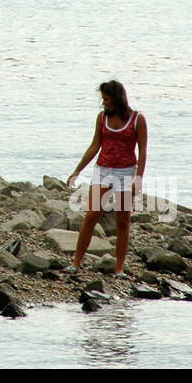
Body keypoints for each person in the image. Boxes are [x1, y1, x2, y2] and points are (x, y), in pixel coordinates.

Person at [66, 80, 148, 276]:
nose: (103, 103)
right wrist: (77, 170)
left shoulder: (137, 119)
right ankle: (75, 263)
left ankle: (119, 268)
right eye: (103, 99)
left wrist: (139, 177)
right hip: (103, 170)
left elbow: (143, 150)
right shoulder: (102, 117)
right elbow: (95, 146)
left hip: (126, 172)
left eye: (106, 99)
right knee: (92, 215)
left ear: (117, 99)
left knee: (123, 220)